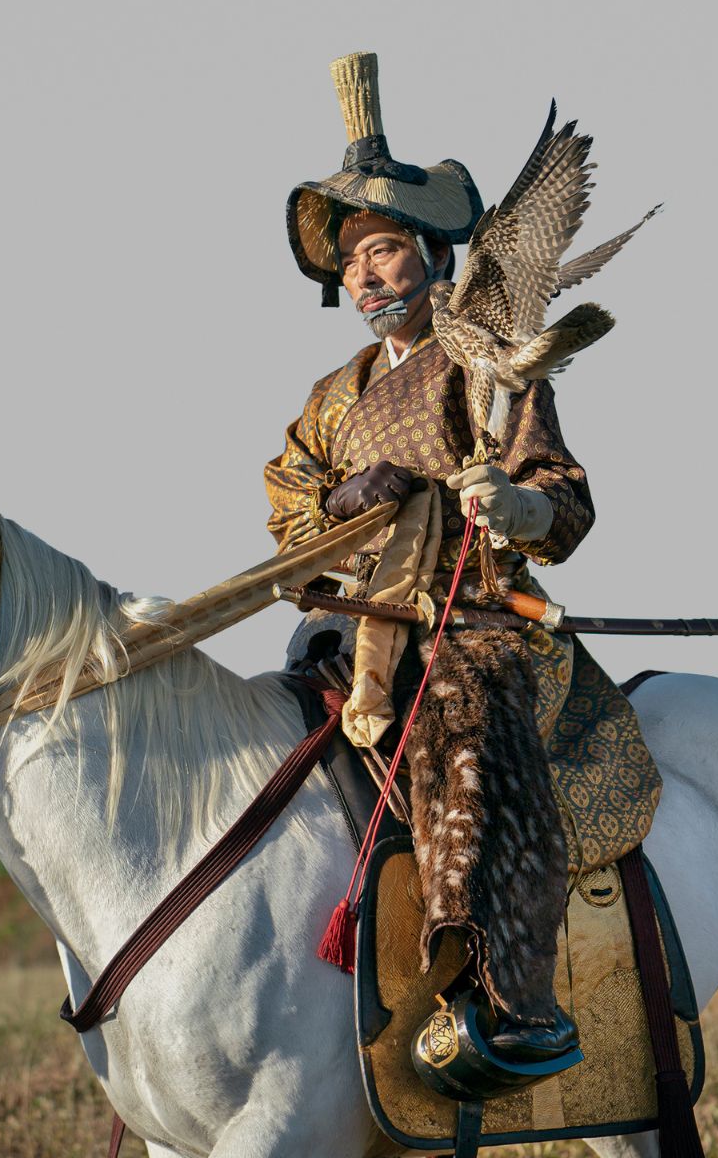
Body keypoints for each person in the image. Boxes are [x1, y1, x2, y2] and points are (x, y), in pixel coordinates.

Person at [266, 53, 660, 1077]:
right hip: (354, 627)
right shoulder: (331, 396)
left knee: (461, 727)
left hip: (473, 621)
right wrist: (343, 502)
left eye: (385, 250)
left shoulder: (483, 350)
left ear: (433, 257)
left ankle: (507, 998)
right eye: (350, 263)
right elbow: (288, 510)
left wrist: (517, 502)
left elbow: (563, 502)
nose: (365, 276)